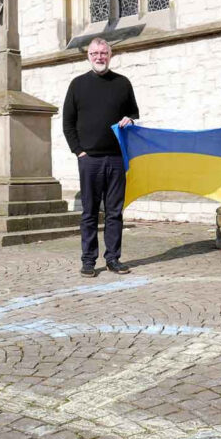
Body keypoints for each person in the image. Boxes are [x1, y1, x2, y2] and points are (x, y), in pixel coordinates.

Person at [62, 38, 139, 277]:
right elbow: (68, 124)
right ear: (88, 56)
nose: (99, 57)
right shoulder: (77, 85)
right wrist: (79, 152)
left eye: (103, 53)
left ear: (110, 55)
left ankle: (113, 259)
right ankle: (88, 260)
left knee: (115, 212)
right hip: (90, 160)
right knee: (90, 212)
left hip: (116, 158)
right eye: (94, 53)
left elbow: (133, 112)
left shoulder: (122, 83)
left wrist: (130, 119)